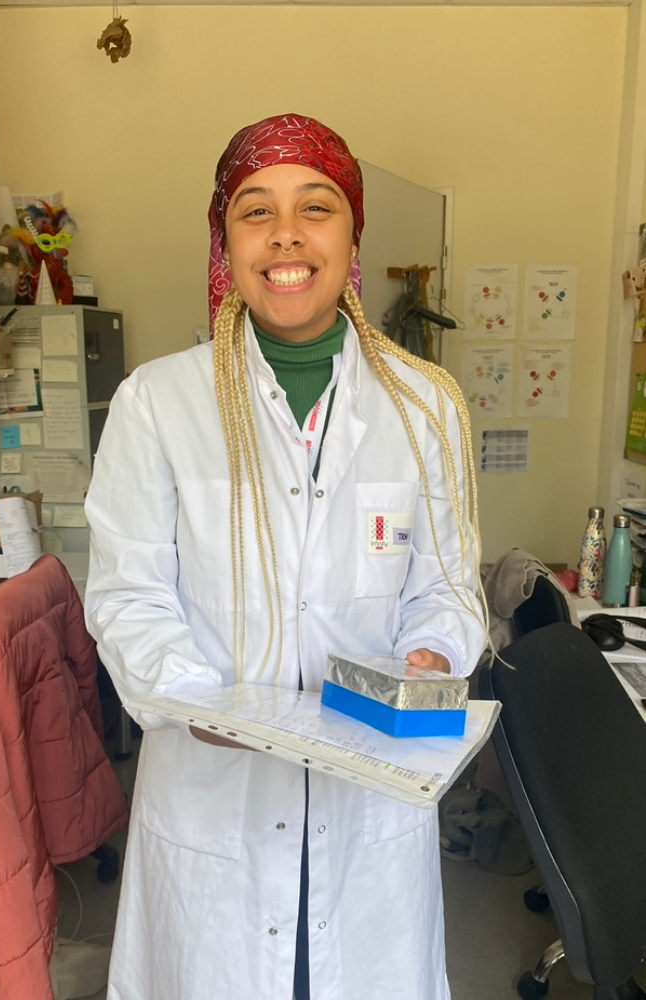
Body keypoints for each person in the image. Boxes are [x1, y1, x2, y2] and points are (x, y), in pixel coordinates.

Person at [84, 112, 487, 1000]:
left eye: (318, 206)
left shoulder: (428, 405)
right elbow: (126, 595)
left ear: (352, 234)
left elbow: (450, 586)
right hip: (212, 800)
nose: (287, 235)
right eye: (255, 211)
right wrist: (201, 701)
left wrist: (433, 654)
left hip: (368, 797)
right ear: (225, 240)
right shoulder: (157, 404)